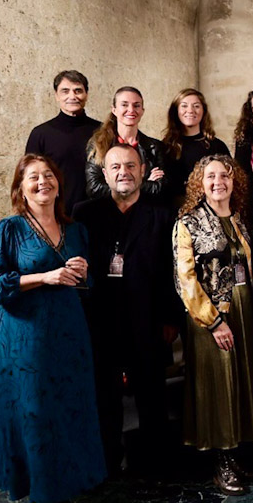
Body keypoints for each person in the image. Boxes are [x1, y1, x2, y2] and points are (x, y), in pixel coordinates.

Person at [0, 154, 105, 503]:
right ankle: (51, 500)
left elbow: (86, 285)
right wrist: (44, 277)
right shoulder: (9, 230)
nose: (42, 182)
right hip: (27, 338)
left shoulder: (75, 230)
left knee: (69, 409)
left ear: (59, 184)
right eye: (33, 177)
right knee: (35, 413)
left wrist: (83, 274)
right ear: (20, 188)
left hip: (69, 335)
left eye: (49, 175)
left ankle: (67, 485)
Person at [73, 143, 180, 476]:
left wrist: (171, 318)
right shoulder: (84, 213)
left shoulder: (163, 214)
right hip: (101, 321)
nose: (124, 173)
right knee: (104, 397)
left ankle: (152, 466)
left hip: (149, 321)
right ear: (105, 174)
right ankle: (106, 462)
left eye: (131, 166)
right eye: (116, 167)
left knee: (151, 397)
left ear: (143, 171)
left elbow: (173, 271)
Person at [172, 154, 253, 495]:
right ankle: (221, 461)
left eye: (224, 175)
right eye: (210, 177)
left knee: (241, 381)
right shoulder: (188, 223)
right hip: (211, 315)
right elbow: (185, 280)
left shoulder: (239, 218)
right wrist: (213, 322)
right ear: (200, 183)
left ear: (234, 180)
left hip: (245, 308)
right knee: (219, 384)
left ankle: (237, 455)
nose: (218, 182)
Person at [25, 70, 101, 215]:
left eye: (78, 91)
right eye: (65, 91)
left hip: (97, 212)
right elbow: (30, 178)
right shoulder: (41, 134)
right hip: (56, 213)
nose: (72, 96)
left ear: (86, 94)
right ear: (56, 96)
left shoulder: (102, 131)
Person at [85, 86, 165, 201]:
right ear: (114, 110)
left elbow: (160, 189)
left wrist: (118, 184)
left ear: (142, 110)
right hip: (109, 210)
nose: (131, 110)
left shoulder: (154, 147)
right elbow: (94, 188)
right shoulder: (99, 144)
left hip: (144, 210)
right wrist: (145, 183)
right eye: (124, 105)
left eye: (136, 105)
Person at [161, 88, 230, 206]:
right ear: (176, 111)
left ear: (203, 111)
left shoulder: (217, 146)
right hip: (175, 209)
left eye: (196, 106)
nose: (190, 110)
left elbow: (229, 180)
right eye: (184, 106)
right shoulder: (165, 147)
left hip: (211, 207)